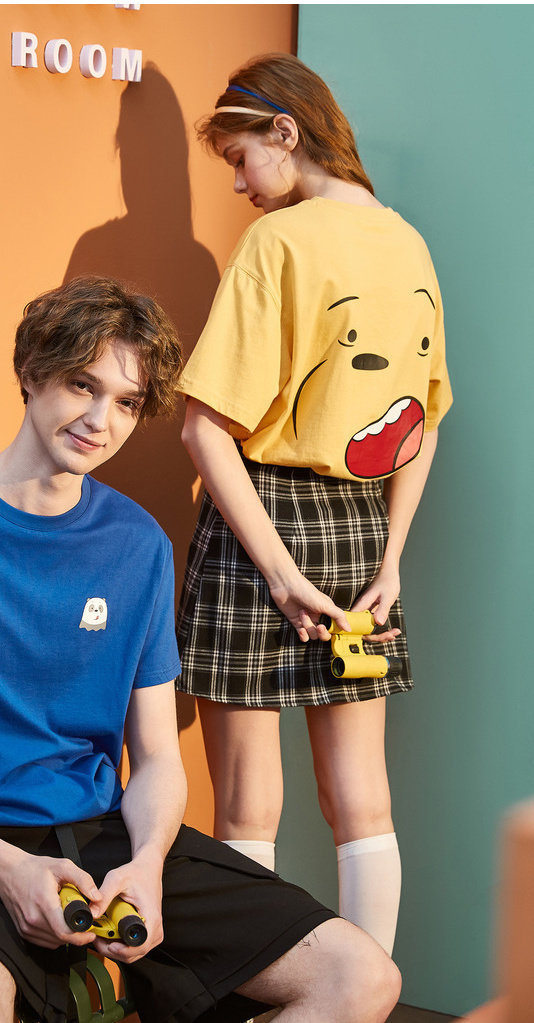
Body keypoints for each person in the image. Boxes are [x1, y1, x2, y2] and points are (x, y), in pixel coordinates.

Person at [0, 275, 399, 1023]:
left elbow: (155, 758)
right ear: (31, 372)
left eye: (127, 401)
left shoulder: (138, 544)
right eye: (82, 385)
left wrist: (147, 864)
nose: (101, 420)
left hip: (100, 836)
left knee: (360, 976)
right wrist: (5, 865)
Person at [176, 54, 452, 957]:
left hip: (261, 528)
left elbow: (205, 430)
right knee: (362, 799)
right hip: (361, 530)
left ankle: (252, 999)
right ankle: (364, 994)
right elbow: (420, 424)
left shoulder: (278, 244)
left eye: (239, 157)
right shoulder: (407, 242)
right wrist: (391, 558)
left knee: (247, 803)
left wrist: (279, 573)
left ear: (285, 132)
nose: (239, 184)